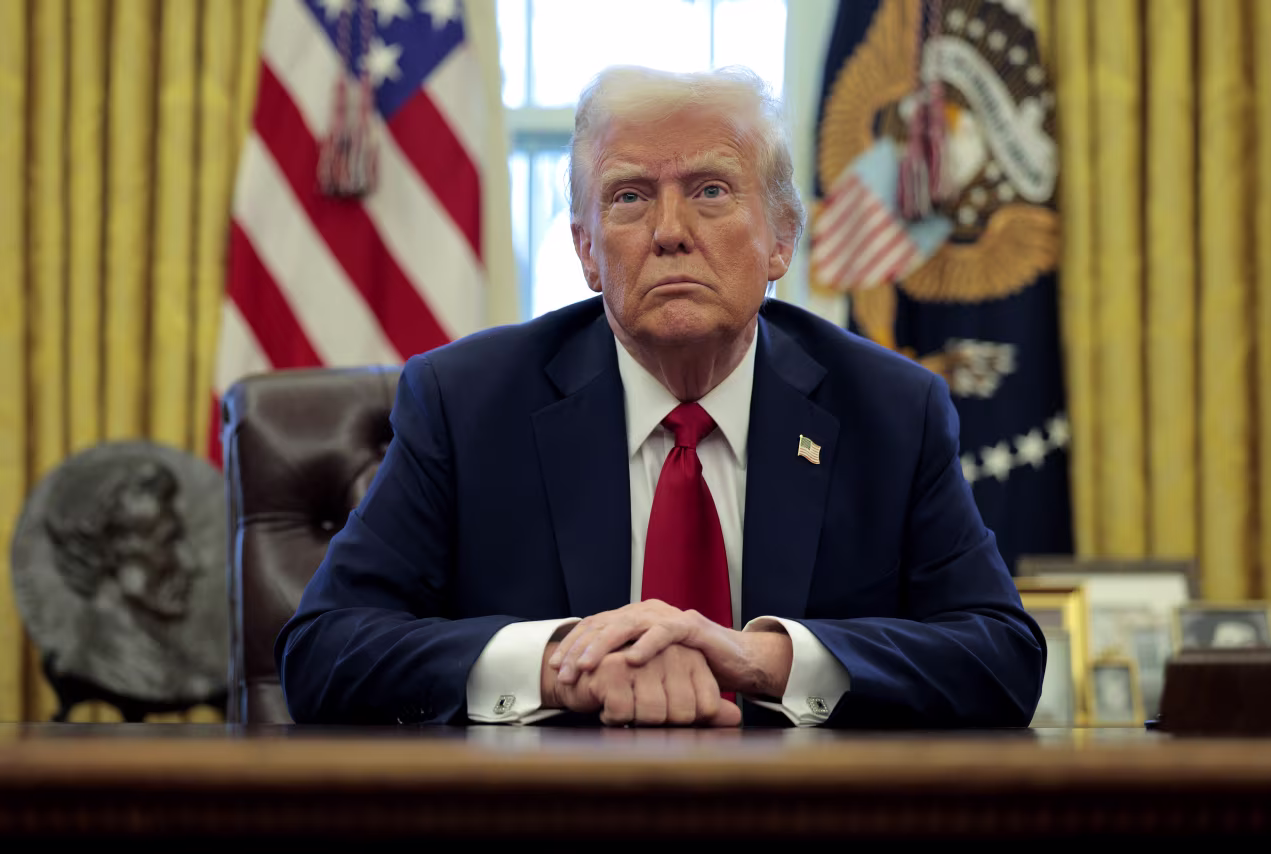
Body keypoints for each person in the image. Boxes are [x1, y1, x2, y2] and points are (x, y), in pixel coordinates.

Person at [275, 66, 1046, 728]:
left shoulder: (891, 410)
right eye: (629, 197)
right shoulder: (466, 402)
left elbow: (1001, 656)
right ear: (586, 250)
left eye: (710, 190)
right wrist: (562, 665)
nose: (669, 231)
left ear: (781, 237)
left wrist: (762, 658)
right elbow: (323, 650)